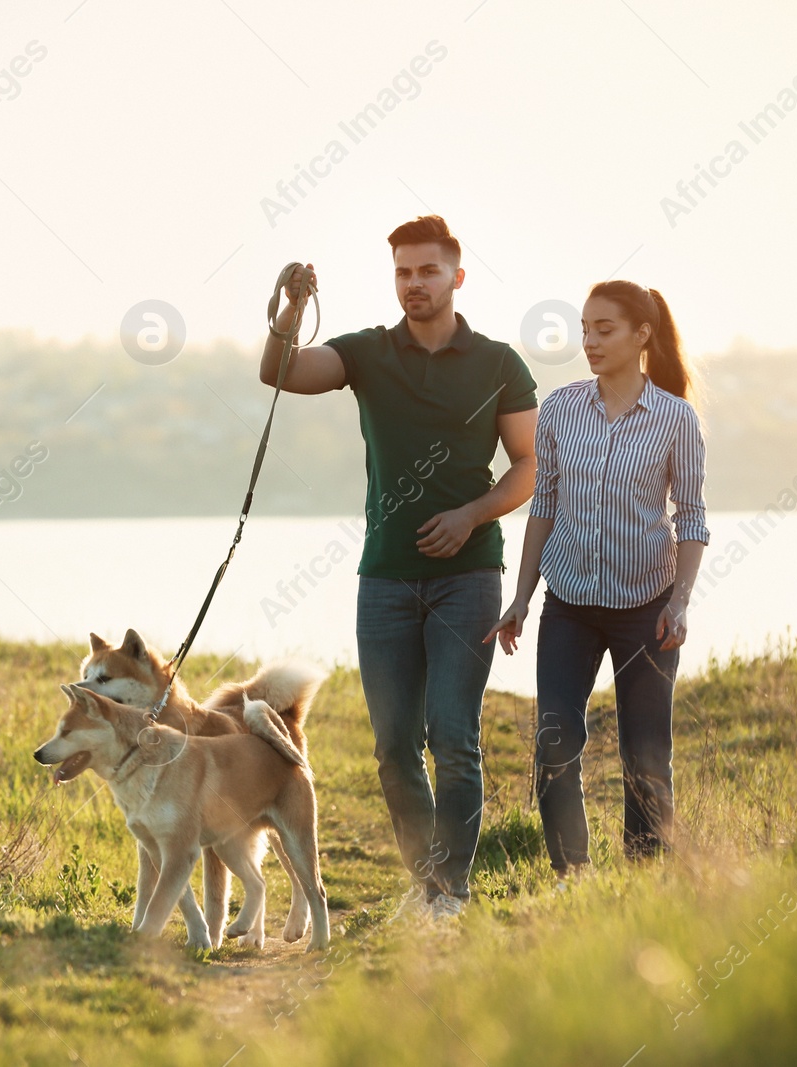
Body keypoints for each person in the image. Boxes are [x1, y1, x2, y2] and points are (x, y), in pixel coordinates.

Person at [258, 215, 538, 921]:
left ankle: (452, 892)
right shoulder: (367, 354)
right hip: (384, 576)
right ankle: (428, 882)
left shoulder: (499, 362)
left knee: (453, 735)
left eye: (427, 271)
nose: (414, 283)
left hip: (468, 574)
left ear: (456, 277)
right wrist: (291, 307)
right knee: (392, 747)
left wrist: (471, 515)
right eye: (403, 272)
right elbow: (280, 371)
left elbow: (531, 464)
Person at [485, 279, 708, 876]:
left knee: (646, 754)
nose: (589, 341)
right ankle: (572, 876)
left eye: (603, 330)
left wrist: (680, 604)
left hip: (647, 609)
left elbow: (692, 518)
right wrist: (521, 599)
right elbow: (544, 509)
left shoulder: (675, 419)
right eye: (584, 329)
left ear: (642, 335)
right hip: (571, 607)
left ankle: (644, 879)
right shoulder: (560, 410)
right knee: (554, 742)